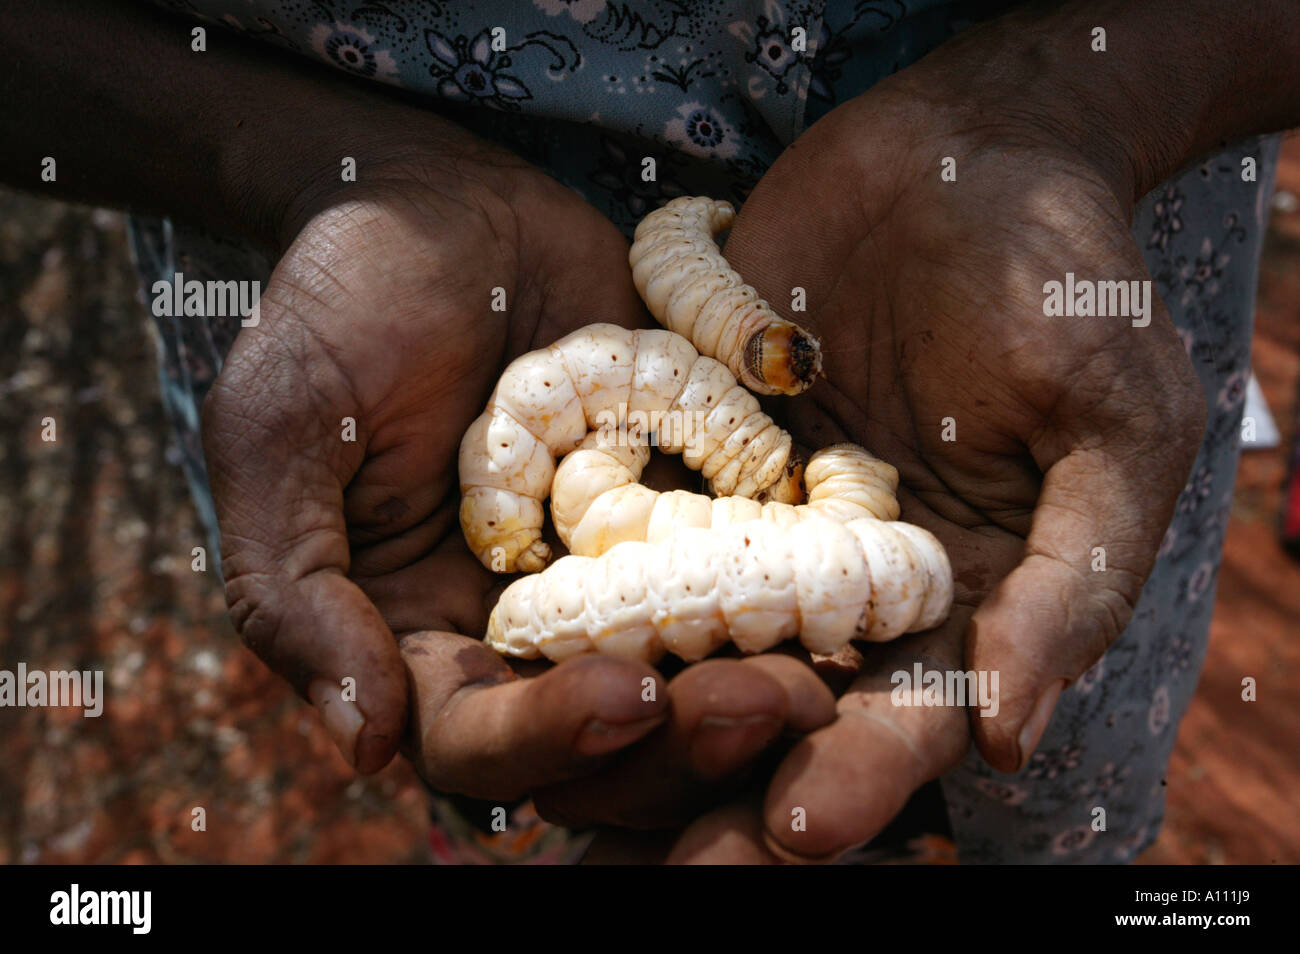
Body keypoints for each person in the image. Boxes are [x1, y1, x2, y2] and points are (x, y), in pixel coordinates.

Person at [4, 0, 1295, 863]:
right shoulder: (598, 455)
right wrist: (297, 163)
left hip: (1023, 302)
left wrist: (1072, 103)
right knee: (557, 762)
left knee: (1040, 746)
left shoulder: (633, 461)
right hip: (408, 332)